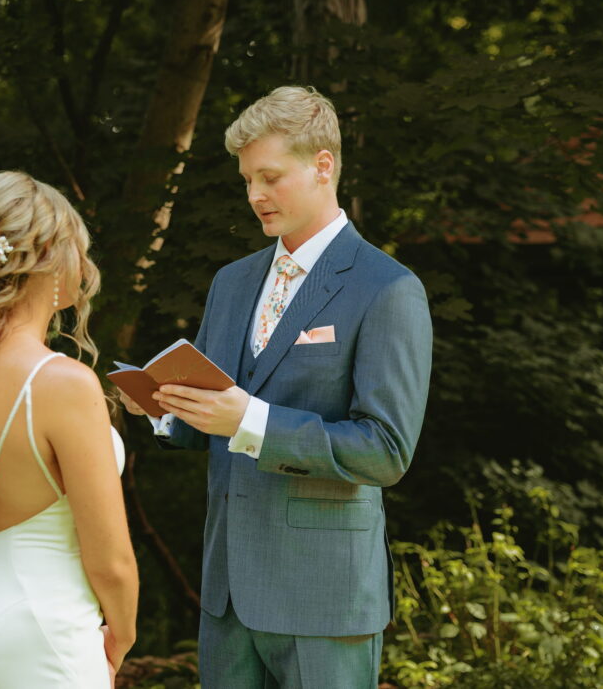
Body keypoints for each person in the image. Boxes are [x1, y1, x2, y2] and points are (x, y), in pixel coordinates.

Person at [120, 86, 432, 688]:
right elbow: (209, 417)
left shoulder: (388, 289)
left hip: (325, 597)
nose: (254, 196)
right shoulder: (231, 283)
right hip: (228, 595)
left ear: (323, 166)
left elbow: (385, 451)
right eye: (246, 180)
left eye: (270, 177)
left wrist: (251, 422)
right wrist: (164, 407)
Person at [0, 171, 138, 688]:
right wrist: (122, 636)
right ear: (49, 258)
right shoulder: (63, 381)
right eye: (76, 248)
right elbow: (110, 561)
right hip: (40, 630)